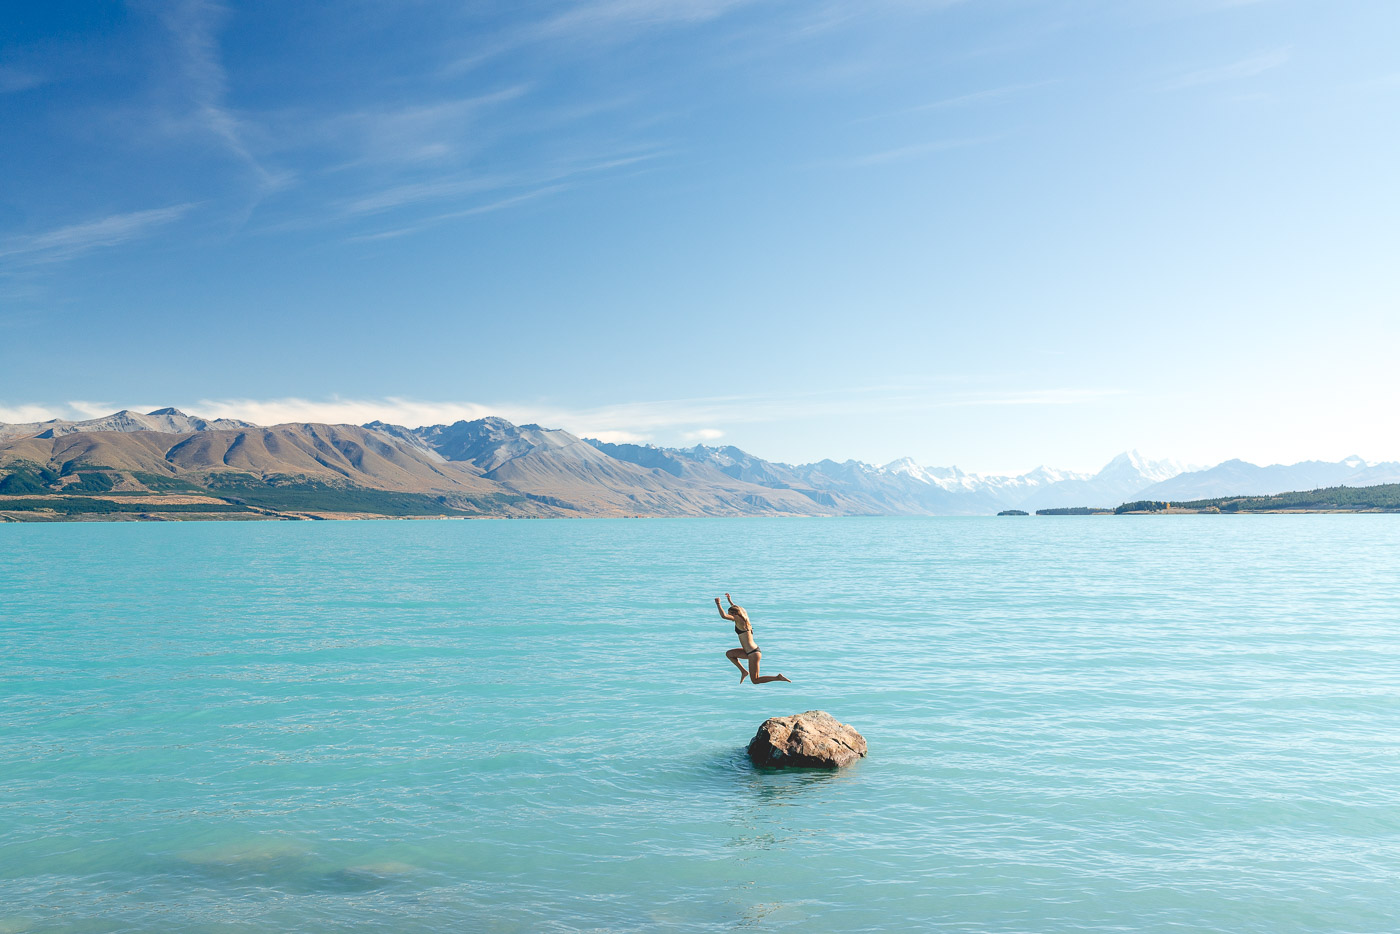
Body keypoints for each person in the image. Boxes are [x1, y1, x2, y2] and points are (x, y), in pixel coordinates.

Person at [716, 592, 791, 685]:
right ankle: (744, 672)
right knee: (729, 654)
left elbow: (723, 616)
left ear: (735, 614)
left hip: (753, 653)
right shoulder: (744, 616)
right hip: (749, 651)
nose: (730, 616)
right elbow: (738, 608)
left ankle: (777, 677)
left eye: (731, 614)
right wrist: (729, 601)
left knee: (755, 680)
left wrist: (718, 604)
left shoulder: (738, 620)